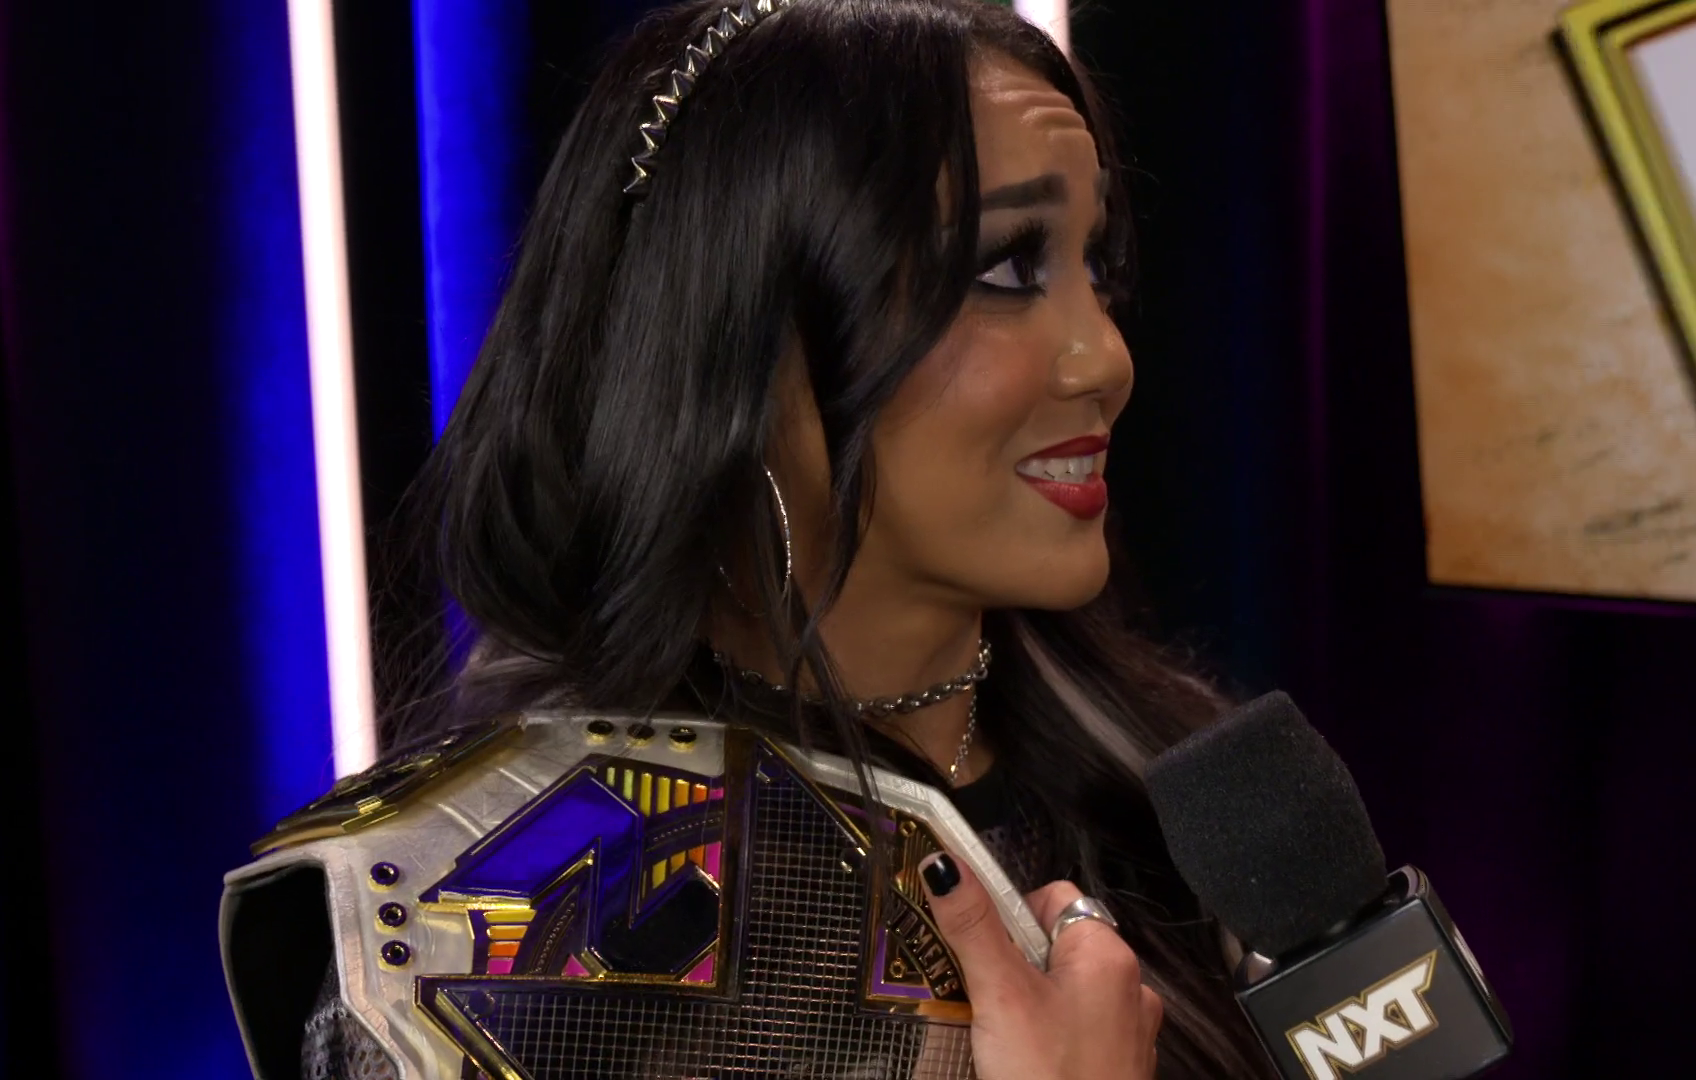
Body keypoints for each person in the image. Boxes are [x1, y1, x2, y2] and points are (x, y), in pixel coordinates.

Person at [229, 1, 1279, 1076]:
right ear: (746, 346)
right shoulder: (492, 933)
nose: (1105, 359)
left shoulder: (1195, 792)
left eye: (1095, 263)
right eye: (1006, 270)